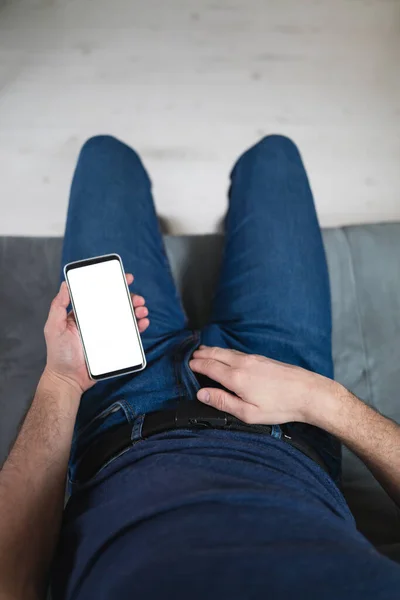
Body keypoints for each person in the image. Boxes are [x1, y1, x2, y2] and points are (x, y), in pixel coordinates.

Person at [0, 135, 400, 600]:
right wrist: (322, 400)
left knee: (106, 158)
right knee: (272, 157)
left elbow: (12, 580)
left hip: (121, 415)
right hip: (291, 415)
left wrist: (62, 380)